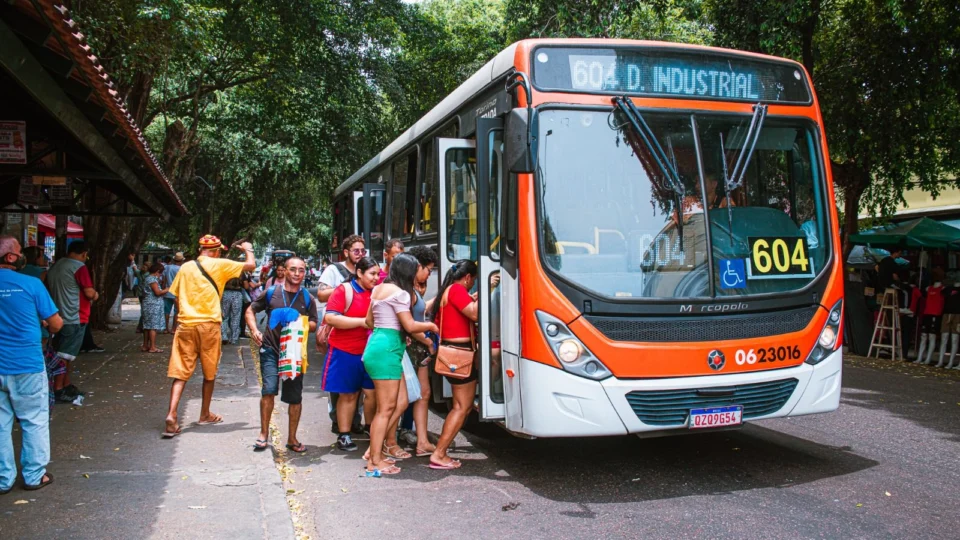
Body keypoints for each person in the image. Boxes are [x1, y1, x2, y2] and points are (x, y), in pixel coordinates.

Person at [162, 235, 255, 438]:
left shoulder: (185, 267)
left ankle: (172, 414)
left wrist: (182, 317)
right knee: (209, 372)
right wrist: (248, 248)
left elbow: (176, 297)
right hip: (209, 325)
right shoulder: (220, 264)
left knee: (181, 372)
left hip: (186, 324)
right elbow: (251, 265)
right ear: (215, 251)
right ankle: (204, 414)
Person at [362, 253, 438, 476]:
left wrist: (391, 328)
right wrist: (432, 327)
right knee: (385, 409)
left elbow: (369, 321)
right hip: (388, 350)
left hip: (378, 344)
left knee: (392, 405)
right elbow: (410, 324)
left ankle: (377, 455)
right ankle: (374, 461)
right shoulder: (402, 293)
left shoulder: (379, 289)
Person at [0, 236, 62, 493]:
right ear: (11, 257)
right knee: (34, 420)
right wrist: (43, 322)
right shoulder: (31, 283)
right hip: (27, 363)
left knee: (1, 424)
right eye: (18, 250)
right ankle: (34, 476)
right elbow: (56, 323)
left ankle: (3, 479)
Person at [245, 257, 317, 452]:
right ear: (284, 271)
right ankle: (263, 434)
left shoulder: (307, 297)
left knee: (295, 397)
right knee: (268, 391)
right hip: (270, 349)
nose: (297, 273)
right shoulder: (271, 293)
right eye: (293, 269)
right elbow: (250, 311)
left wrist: (300, 323)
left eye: (301, 270)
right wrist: (254, 330)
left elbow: (313, 324)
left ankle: (292, 439)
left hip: (294, 353)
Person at [320, 257, 380, 452]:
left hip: (371, 352)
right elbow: (331, 317)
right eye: (372, 274)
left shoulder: (378, 292)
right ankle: (344, 435)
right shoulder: (344, 290)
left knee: (372, 394)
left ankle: (372, 430)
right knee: (349, 394)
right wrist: (363, 322)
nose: (376, 277)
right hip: (345, 350)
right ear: (360, 273)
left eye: (378, 274)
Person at [430, 260, 479, 470]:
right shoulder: (458, 289)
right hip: (460, 354)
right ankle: (439, 453)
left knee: (461, 406)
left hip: (453, 353)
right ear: (468, 277)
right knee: (461, 407)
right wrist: (490, 289)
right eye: (474, 281)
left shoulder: (450, 290)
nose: (473, 284)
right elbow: (475, 314)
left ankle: (440, 451)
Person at [316, 234, 367, 434]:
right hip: (338, 331)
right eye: (356, 251)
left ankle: (355, 419)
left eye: (363, 251)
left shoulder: (366, 270)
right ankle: (338, 419)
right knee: (340, 382)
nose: (360, 254)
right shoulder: (334, 270)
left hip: (361, 333)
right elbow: (321, 294)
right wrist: (347, 287)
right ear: (346, 252)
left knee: (361, 382)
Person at [397, 245, 439, 452]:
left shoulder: (411, 290)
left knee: (422, 393)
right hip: (413, 348)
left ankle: (421, 440)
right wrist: (429, 341)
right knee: (405, 398)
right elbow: (410, 325)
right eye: (428, 269)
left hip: (418, 348)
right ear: (417, 266)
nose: (429, 274)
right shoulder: (406, 292)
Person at [46, 240, 97, 402]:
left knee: (61, 353)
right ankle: (59, 389)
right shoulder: (79, 267)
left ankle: (65, 384)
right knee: (65, 355)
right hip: (74, 316)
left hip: (56, 315)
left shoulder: (56, 265)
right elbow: (89, 293)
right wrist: (96, 295)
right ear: (84, 253)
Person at [141, 263, 168, 353]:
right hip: (153, 305)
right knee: (153, 326)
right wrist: (167, 289)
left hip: (147, 304)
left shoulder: (147, 278)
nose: (160, 275)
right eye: (160, 273)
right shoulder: (152, 279)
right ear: (157, 272)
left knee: (147, 326)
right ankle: (153, 346)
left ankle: (145, 345)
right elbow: (157, 292)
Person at [162, 252, 184, 333]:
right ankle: (174, 328)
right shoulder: (181, 269)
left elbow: (164, 279)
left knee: (166, 311)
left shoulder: (167, 267)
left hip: (167, 291)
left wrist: (163, 288)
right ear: (181, 260)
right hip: (177, 292)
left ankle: (165, 328)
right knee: (176, 311)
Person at [221, 275, 245, 345]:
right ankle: (234, 338)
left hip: (225, 292)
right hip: (237, 293)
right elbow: (245, 285)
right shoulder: (239, 271)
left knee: (224, 316)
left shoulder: (226, 271)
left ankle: (224, 336)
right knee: (236, 317)